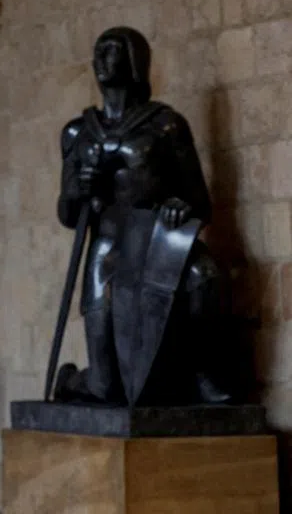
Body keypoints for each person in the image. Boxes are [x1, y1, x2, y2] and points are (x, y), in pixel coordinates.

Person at [54, 26, 232, 405]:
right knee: (106, 388)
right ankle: (72, 380)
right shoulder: (78, 133)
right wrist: (79, 190)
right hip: (108, 249)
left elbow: (201, 203)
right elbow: (68, 215)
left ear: (135, 60)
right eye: (98, 52)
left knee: (204, 274)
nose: (100, 60)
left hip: (157, 243)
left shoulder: (165, 126)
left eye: (111, 51)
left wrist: (180, 205)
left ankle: (201, 371)